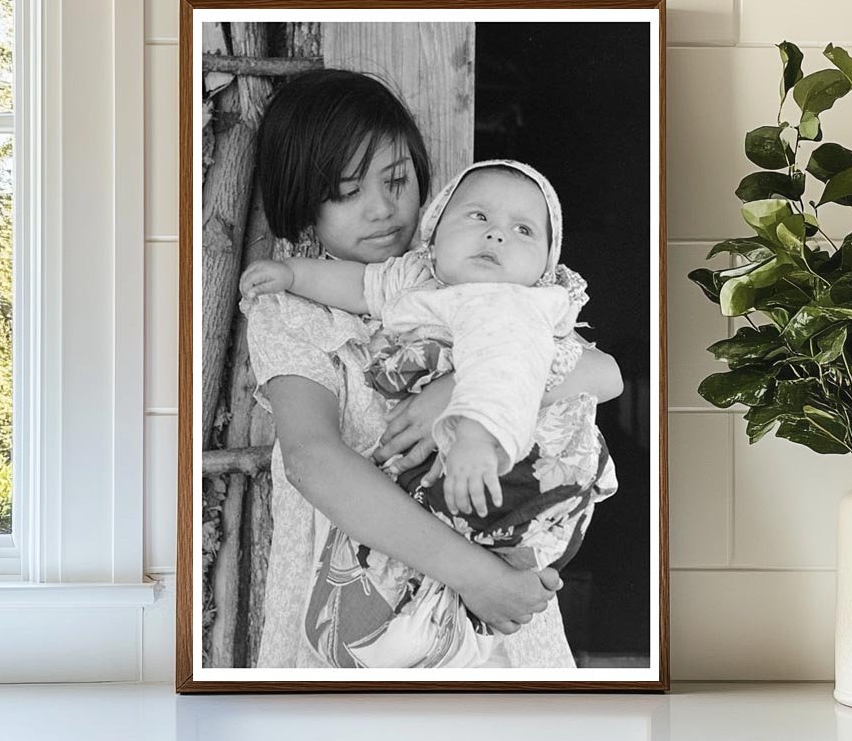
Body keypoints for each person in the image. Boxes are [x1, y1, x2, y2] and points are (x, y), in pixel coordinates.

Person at [243, 68, 623, 668]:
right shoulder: (292, 311)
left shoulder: (475, 279)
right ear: (303, 209)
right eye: (347, 192)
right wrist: (475, 576)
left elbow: (602, 373)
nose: (383, 210)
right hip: (368, 602)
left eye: (396, 180)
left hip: (500, 607)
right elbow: (313, 461)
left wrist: (455, 391)